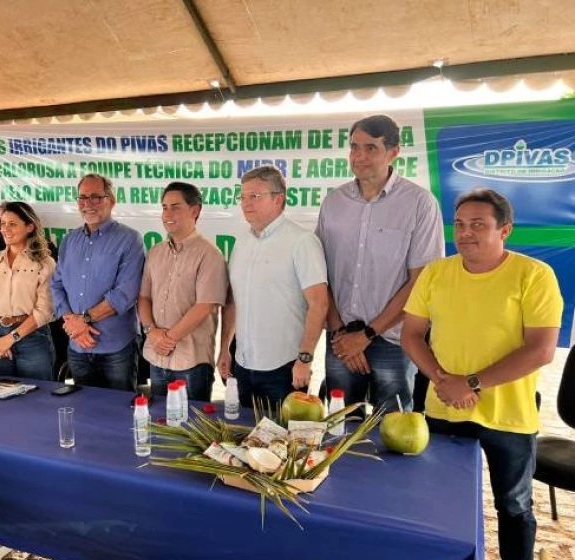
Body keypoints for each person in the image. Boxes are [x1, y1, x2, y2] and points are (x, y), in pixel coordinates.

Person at [402, 189, 562, 560]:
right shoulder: (436, 272)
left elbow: (541, 350)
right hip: (444, 409)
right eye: (459, 224)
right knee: (442, 502)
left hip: (509, 416)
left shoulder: (534, 275)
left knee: (514, 506)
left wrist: (471, 383)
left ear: (504, 230)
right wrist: (444, 381)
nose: (465, 233)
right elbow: (411, 336)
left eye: (478, 224)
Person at [315, 114, 444, 413]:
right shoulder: (333, 203)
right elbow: (319, 274)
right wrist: (340, 333)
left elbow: (421, 281)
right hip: (341, 339)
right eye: (354, 147)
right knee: (340, 425)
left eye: (371, 148)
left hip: (393, 340)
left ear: (393, 152)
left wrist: (367, 335)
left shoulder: (420, 203)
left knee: (394, 429)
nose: (359, 156)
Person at [217, 165, 328, 407]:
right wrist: (224, 347)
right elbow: (233, 301)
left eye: (254, 196)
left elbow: (319, 304)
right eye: (243, 197)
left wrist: (306, 359)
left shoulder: (302, 242)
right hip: (243, 365)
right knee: (245, 439)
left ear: (278, 199)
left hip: (286, 368)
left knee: (284, 441)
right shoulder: (241, 243)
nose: (246, 203)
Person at [51, 173, 145, 391]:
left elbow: (125, 294)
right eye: (82, 198)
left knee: (119, 415)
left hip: (117, 347)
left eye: (95, 197)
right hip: (77, 346)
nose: (88, 204)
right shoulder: (69, 240)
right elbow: (57, 285)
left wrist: (83, 320)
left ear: (111, 201)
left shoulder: (130, 239)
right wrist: (72, 323)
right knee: (84, 413)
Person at [138, 182, 228, 401]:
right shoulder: (156, 252)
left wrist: (166, 339)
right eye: (164, 207)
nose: (167, 213)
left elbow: (204, 306)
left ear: (195, 211)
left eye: (175, 207)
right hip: (157, 357)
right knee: (160, 423)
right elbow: (143, 297)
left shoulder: (209, 255)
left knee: (191, 429)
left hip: (191, 361)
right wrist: (152, 332)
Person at [0, 202, 56, 380]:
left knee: (37, 399)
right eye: (2, 223)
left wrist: (10, 339)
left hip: (32, 338)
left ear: (30, 227)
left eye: (12, 224)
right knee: (1, 402)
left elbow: (44, 310)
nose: (5, 229)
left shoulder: (45, 262)